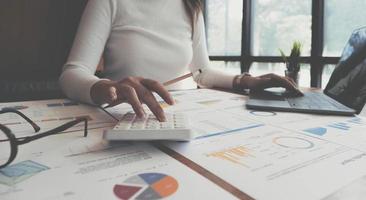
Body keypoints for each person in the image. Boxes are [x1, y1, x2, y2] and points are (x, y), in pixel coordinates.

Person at [59, 0, 301, 122]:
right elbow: (72, 73)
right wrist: (106, 88)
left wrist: (247, 80)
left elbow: (201, 72)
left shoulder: (191, 6)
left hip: (182, 114)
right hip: (128, 115)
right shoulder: (108, 2)